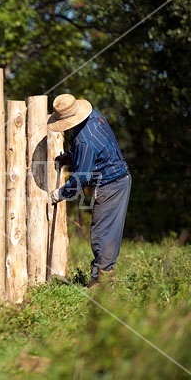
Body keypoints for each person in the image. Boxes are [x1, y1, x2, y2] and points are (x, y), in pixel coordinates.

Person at [47, 94, 131, 289]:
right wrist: (68, 157)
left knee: (103, 233)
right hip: (115, 179)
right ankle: (100, 278)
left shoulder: (85, 140)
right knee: (105, 231)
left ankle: (102, 283)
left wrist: (61, 193)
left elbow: (82, 176)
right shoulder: (94, 117)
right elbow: (91, 151)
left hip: (111, 184)